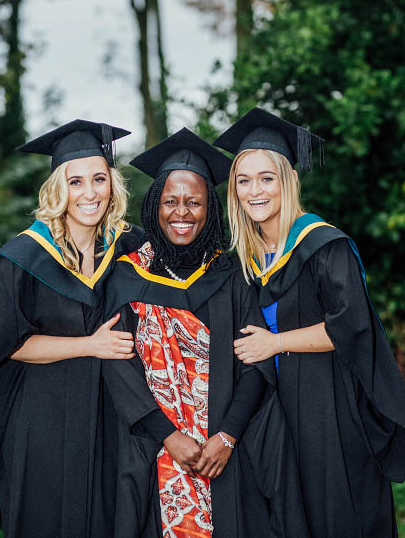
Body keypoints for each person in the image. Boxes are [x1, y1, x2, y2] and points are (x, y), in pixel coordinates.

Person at [214, 107, 405, 537]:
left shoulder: (324, 245)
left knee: (336, 516)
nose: (255, 190)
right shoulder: (249, 262)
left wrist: (276, 342)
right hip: (278, 417)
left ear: (289, 181)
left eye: (266, 178)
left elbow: (351, 324)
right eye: (244, 180)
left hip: (328, 408)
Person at [101, 128, 309, 538]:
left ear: (209, 208)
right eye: (170, 202)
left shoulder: (231, 275)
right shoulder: (126, 275)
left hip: (226, 450)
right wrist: (168, 436)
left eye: (194, 202)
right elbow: (117, 364)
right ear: (154, 206)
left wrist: (227, 436)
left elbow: (255, 361)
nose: (182, 212)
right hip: (154, 449)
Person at [0, 120, 145, 537]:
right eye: (75, 181)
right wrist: (90, 345)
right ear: (57, 189)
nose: (90, 192)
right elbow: (9, 345)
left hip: (111, 417)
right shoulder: (22, 256)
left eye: (99, 179)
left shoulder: (131, 246)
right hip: (42, 416)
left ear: (113, 185)